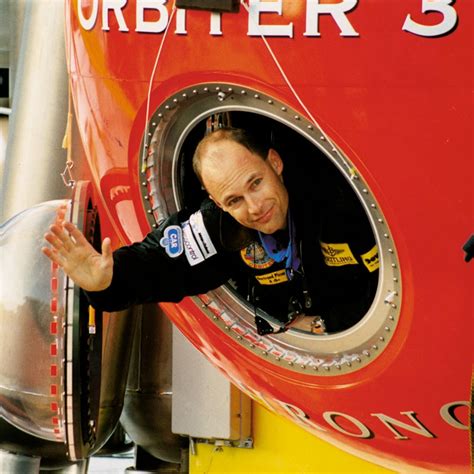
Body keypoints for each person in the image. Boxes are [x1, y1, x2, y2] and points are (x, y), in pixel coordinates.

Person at [43, 127, 378, 335]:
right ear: (217, 203)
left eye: (256, 183)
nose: (254, 206)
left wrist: (329, 324)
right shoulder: (222, 227)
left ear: (274, 162)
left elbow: (396, 287)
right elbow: (161, 260)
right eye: (234, 200)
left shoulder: (342, 206)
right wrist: (107, 284)